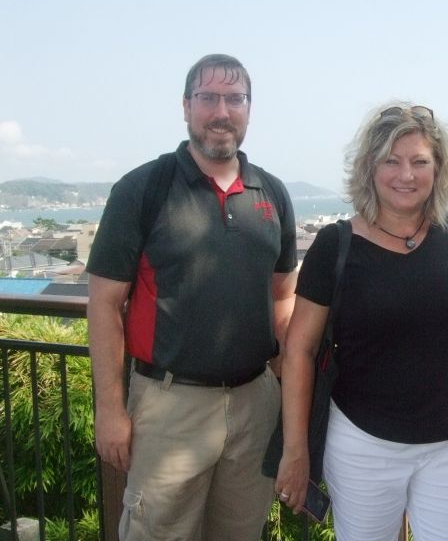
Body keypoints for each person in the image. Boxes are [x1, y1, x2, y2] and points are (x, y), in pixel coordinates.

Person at [274, 103, 448, 541]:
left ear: (439, 170)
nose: (406, 174)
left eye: (420, 162)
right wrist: (296, 449)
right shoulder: (335, 245)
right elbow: (299, 350)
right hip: (363, 445)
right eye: (391, 161)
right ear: (369, 168)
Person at [86, 54, 297, 541]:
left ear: (249, 109)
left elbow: (283, 296)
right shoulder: (144, 188)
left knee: (241, 533)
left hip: (253, 403)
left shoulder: (273, 194)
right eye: (208, 98)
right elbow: (103, 304)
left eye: (234, 99)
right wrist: (110, 410)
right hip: (167, 406)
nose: (221, 111)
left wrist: (285, 384)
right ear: (186, 107)